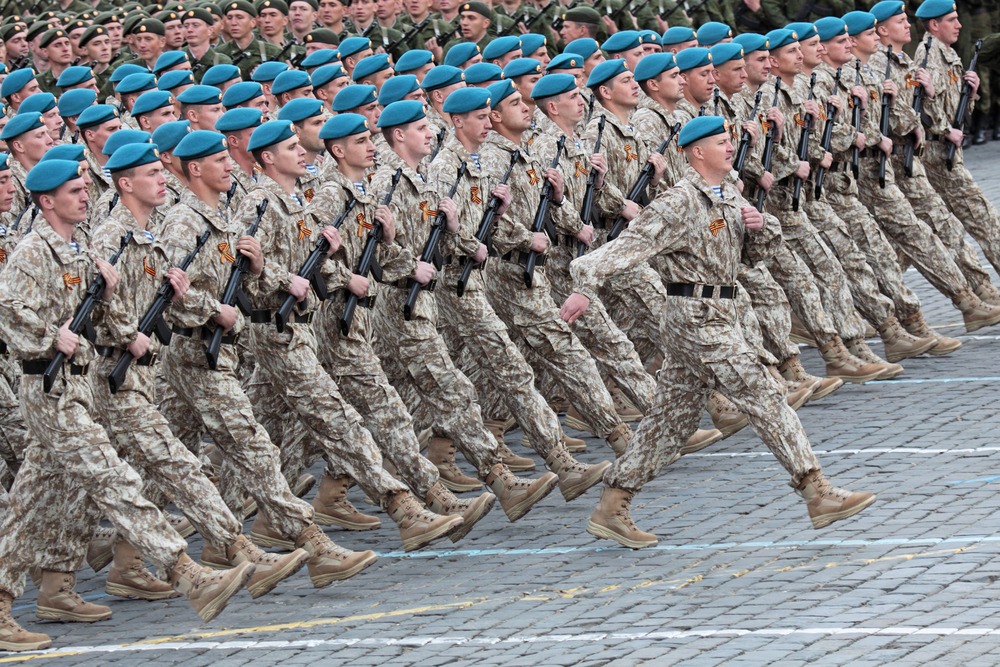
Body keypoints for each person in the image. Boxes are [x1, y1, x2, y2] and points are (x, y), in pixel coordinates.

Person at [560, 116, 877, 549]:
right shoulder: (678, 203)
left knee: (671, 421)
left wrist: (762, 226)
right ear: (697, 152)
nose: (731, 148)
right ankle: (815, 491)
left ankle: (612, 505)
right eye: (722, 142)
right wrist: (584, 285)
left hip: (720, 312)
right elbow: (628, 246)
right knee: (763, 392)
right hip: (695, 316)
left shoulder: (726, 194)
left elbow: (749, 256)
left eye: (730, 141)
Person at [0, 159, 255, 653]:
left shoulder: (81, 247)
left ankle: (23, 599)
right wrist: (49, 336)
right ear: (46, 202)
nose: (84, 196)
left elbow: (96, 312)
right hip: (49, 388)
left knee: (29, 505)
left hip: (78, 386)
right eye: (73, 191)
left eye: (84, 188)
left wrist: (117, 308)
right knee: (115, 480)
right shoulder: (33, 251)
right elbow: (7, 307)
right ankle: (186, 572)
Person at [156, 129, 379, 587]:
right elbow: (170, 296)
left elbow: (242, 283)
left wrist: (261, 270)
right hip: (195, 350)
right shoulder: (184, 223)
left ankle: (194, 549)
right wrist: (215, 310)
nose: (229, 165)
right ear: (194, 169)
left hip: (225, 348)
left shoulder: (221, 216)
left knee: (200, 451)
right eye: (219, 160)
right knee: (249, 446)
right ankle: (312, 543)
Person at [91, 141, 309, 600]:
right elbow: (92, 308)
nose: (162, 179)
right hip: (123, 368)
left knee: (139, 467)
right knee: (179, 462)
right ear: (126, 183)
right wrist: (197, 312)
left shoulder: (147, 231)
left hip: (149, 368)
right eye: (152, 173)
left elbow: (161, 298)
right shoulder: (116, 236)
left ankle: (116, 565)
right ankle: (251, 547)